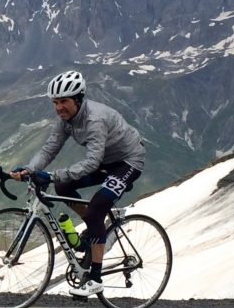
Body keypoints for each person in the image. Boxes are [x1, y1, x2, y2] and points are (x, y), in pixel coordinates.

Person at [11, 69, 145, 296]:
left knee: (93, 208)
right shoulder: (65, 120)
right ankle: (96, 230)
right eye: (55, 102)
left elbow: (92, 163)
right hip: (106, 162)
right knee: (64, 188)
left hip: (128, 162)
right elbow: (49, 148)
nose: (59, 107)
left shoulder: (95, 120)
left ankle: (95, 278)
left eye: (64, 101)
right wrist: (30, 169)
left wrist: (52, 176)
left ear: (78, 99)